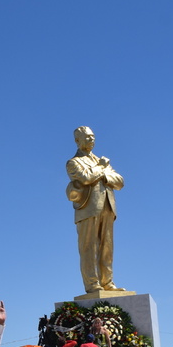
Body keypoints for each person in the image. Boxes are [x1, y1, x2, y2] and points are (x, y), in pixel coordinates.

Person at [65, 125, 127, 294]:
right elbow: (85, 178)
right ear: (77, 141)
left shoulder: (100, 161)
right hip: (87, 209)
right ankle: (92, 284)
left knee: (107, 247)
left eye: (93, 136)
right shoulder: (74, 162)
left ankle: (107, 282)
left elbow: (120, 181)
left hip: (107, 207)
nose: (92, 139)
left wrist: (103, 173)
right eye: (87, 137)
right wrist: (101, 168)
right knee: (89, 248)